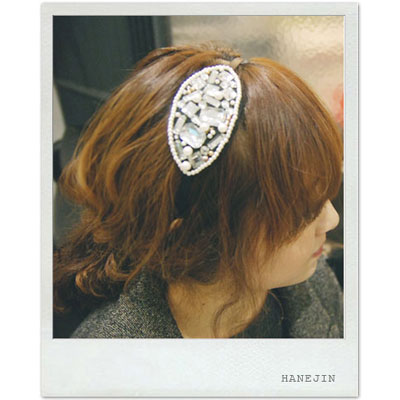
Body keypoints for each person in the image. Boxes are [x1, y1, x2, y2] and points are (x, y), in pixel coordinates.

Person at [53, 43, 343, 339]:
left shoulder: (311, 280)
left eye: (325, 196)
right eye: (303, 213)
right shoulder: (114, 355)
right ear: (198, 237)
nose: (332, 220)